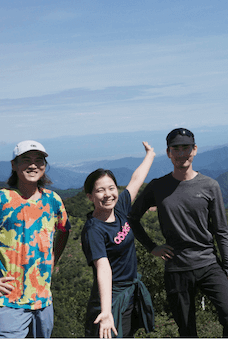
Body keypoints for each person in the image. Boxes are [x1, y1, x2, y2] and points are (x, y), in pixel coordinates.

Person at [127, 128, 228, 337]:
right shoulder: (158, 187)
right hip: (177, 267)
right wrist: (152, 247)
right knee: (187, 330)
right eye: (176, 149)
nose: (181, 153)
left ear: (195, 149)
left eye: (186, 148)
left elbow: (221, 231)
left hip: (209, 263)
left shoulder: (209, 186)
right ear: (169, 152)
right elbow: (132, 218)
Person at [0, 140, 71, 338]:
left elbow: (65, 230)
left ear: (44, 166)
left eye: (39, 160)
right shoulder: (0, 200)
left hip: (43, 302)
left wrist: (53, 259)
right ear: (14, 165)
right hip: (8, 302)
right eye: (26, 160)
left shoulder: (53, 200)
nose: (33, 165)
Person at [81, 141, 157, 338]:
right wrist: (106, 312)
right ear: (90, 196)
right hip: (110, 298)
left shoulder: (120, 208)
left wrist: (150, 155)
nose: (108, 195)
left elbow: (136, 180)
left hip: (130, 293)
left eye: (111, 188)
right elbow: (103, 268)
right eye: (100, 190)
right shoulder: (93, 229)